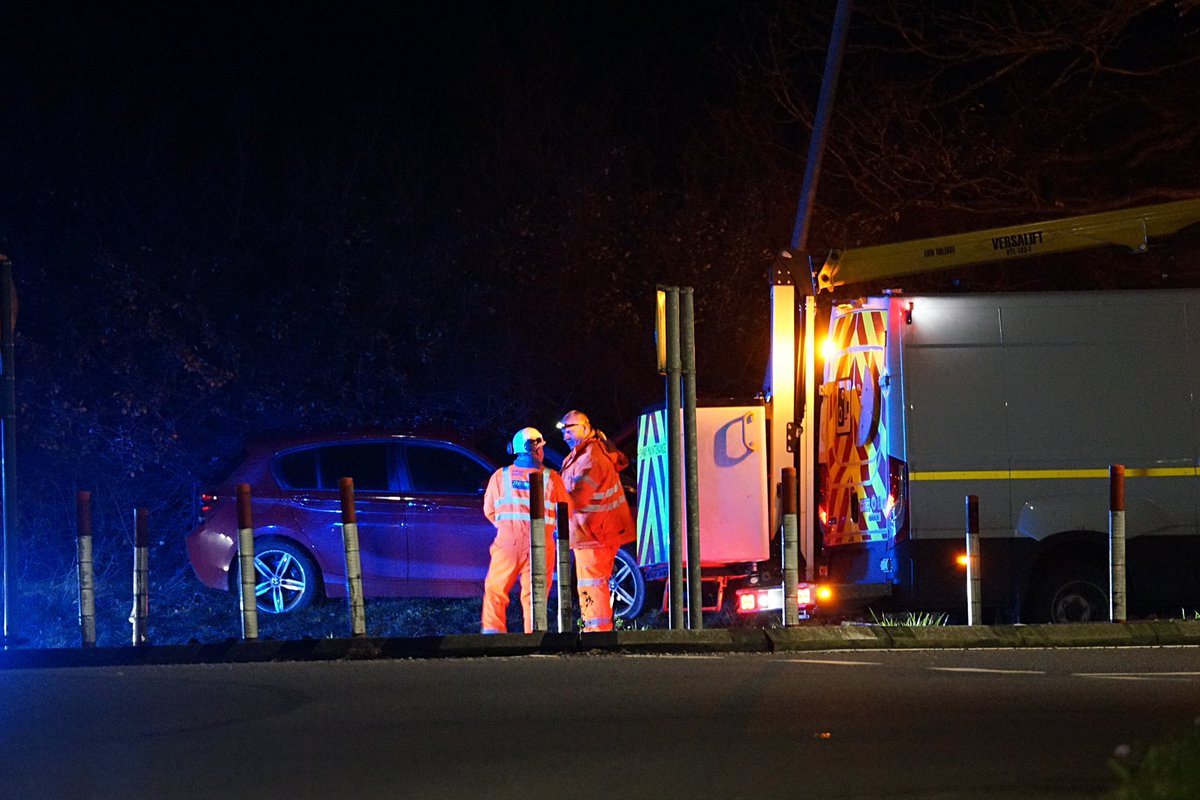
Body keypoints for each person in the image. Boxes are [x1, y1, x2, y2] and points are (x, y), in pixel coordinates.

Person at [481, 426, 571, 634]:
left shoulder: (499, 477)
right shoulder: (552, 478)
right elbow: (566, 513)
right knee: (535, 595)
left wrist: (506, 527)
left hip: (507, 543)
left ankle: (492, 637)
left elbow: (489, 510)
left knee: (495, 589)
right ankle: (534, 638)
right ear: (538, 450)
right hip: (540, 543)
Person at [556, 409, 636, 632]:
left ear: (584, 427)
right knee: (592, 585)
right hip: (593, 532)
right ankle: (596, 631)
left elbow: (578, 498)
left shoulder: (591, 457)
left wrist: (550, 496)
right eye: (563, 432)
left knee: (592, 585)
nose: (565, 436)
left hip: (595, 533)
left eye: (568, 430)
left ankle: (597, 634)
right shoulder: (584, 453)